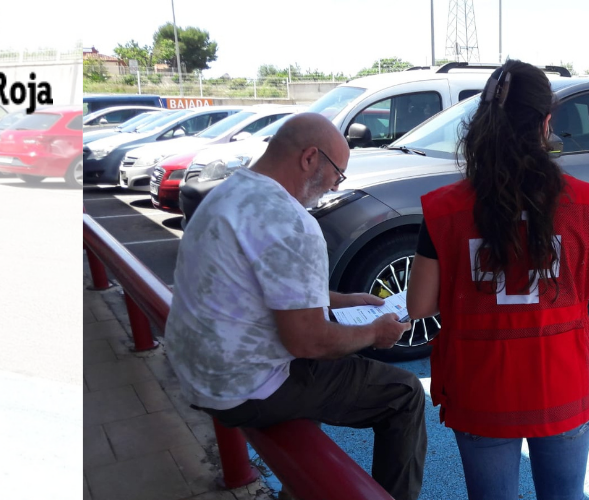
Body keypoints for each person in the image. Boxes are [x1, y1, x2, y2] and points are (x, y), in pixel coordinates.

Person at [163, 112, 426, 500]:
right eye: (338, 171)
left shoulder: (228, 193)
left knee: (328, 375)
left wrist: (344, 300)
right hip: (243, 390)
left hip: (194, 370)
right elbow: (309, 343)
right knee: (403, 394)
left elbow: (262, 287)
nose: (337, 183)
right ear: (309, 158)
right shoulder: (292, 222)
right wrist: (375, 331)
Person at [405, 60, 589, 500]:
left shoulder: (442, 208)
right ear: (546, 122)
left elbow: (418, 307)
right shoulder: (586, 203)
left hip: (480, 389)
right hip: (560, 382)